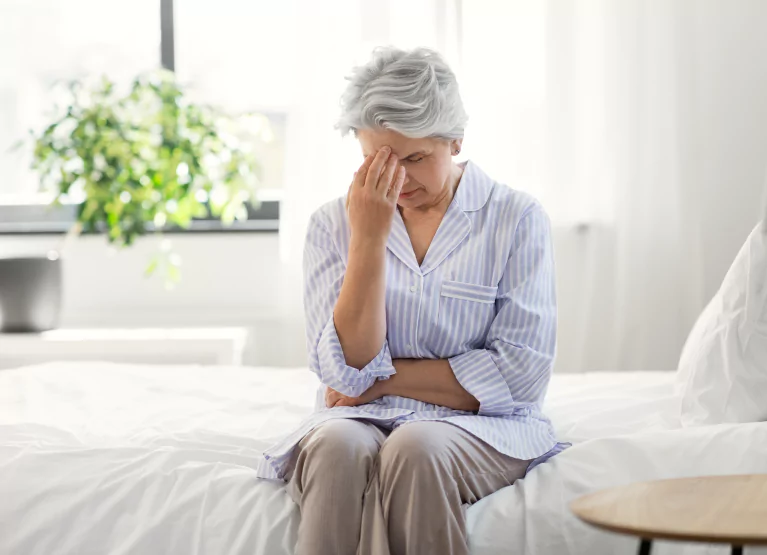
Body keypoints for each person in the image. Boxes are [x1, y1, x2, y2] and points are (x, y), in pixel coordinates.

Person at [255, 45, 568, 555]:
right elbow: (343, 376)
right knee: (335, 446)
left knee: (417, 446)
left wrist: (384, 382)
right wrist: (368, 240)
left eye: (415, 158)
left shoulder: (515, 218)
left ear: (456, 140)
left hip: (482, 429)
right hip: (354, 421)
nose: (396, 181)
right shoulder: (333, 225)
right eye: (376, 162)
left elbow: (521, 376)